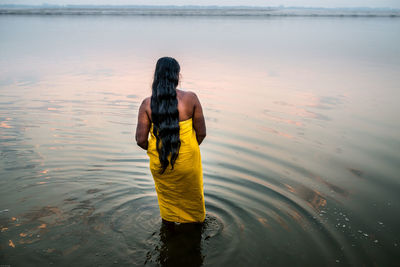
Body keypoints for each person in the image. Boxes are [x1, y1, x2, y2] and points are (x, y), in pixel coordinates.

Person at [135, 57, 206, 224]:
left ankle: (168, 232)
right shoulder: (191, 98)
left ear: (157, 76)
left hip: (160, 163)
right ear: (177, 76)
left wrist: (155, 149)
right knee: (194, 206)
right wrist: (187, 150)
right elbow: (201, 133)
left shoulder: (147, 104)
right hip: (188, 162)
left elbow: (140, 140)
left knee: (167, 208)